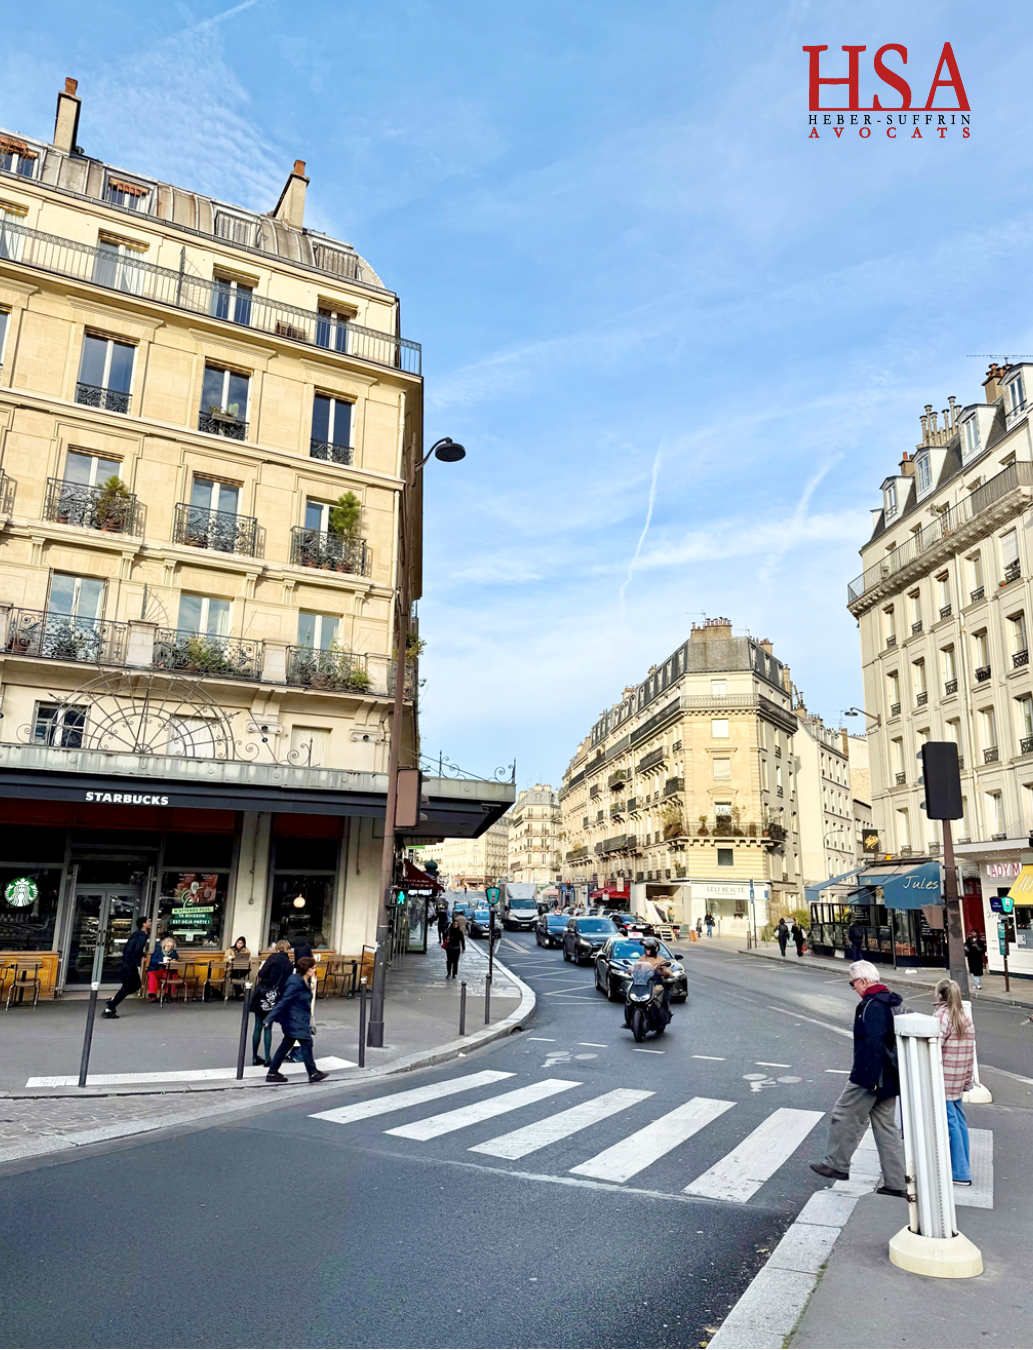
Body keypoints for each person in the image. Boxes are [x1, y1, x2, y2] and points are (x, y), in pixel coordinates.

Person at [810, 960, 907, 1197]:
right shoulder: (891, 1002)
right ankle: (896, 1182)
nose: (853, 988)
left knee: (843, 1114)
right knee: (886, 1128)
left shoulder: (872, 1005)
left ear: (863, 981)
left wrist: (869, 1079)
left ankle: (836, 1164)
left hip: (870, 1076)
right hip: (890, 1075)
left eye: (852, 983)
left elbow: (874, 1043)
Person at [935, 978, 975, 1185]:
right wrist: (967, 1081)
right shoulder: (964, 1018)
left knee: (950, 1123)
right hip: (958, 1079)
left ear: (940, 995)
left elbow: (934, 1048)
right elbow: (970, 1054)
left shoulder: (941, 1016)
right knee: (958, 1122)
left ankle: (959, 1172)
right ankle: (963, 1166)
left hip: (943, 1078)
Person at [264, 957, 328, 1083]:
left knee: (286, 1044)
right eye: (313, 968)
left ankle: (272, 1072)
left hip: (298, 1018)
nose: (315, 970)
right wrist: (269, 1017)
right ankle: (313, 1073)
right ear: (306, 969)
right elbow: (285, 1001)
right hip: (294, 1019)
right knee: (306, 1043)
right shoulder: (295, 983)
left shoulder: (304, 981)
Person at [251, 939, 292, 1066]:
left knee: (258, 1026)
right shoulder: (289, 964)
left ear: (277, 948)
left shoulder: (273, 958)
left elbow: (261, 974)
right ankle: (267, 1057)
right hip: (275, 996)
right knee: (268, 1026)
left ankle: (255, 1057)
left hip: (262, 993)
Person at [104, 917, 151, 1018]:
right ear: (144, 924)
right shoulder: (143, 935)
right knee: (131, 986)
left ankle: (113, 1001)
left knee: (133, 985)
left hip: (126, 961)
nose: (150, 923)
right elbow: (137, 949)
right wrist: (142, 956)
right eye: (148, 921)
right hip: (130, 963)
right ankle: (110, 1008)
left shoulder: (135, 934)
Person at [623, 936, 673, 1025]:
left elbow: (668, 971)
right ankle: (628, 1020)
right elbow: (636, 966)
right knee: (629, 997)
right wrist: (630, 970)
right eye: (646, 948)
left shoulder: (661, 960)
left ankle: (661, 1018)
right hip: (641, 982)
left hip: (655, 983)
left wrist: (663, 972)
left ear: (655, 949)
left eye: (649, 949)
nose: (647, 950)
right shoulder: (642, 958)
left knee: (660, 995)